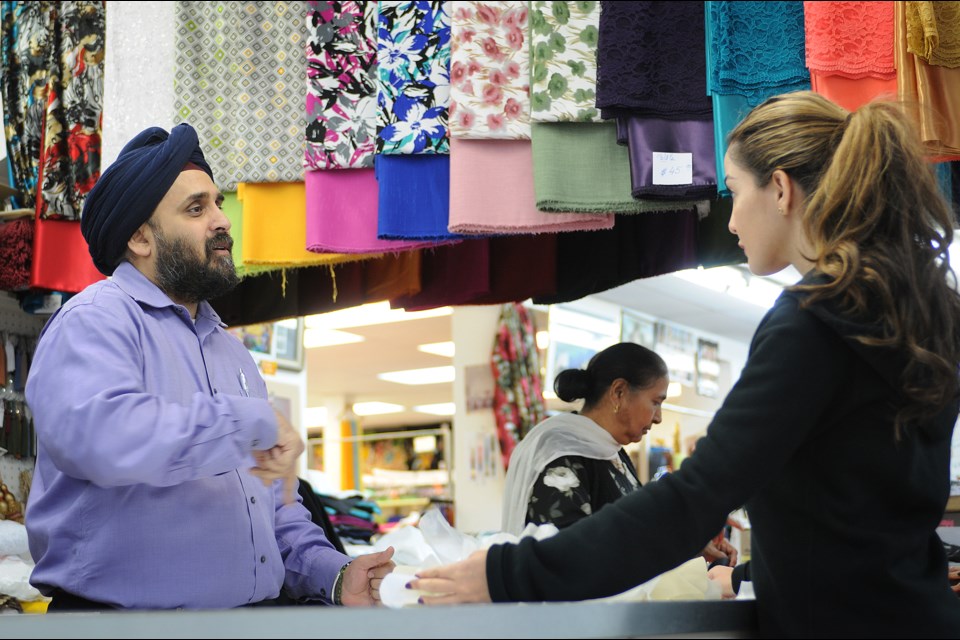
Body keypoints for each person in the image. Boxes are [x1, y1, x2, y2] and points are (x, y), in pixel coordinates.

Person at [411, 91, 960, 637]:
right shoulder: (916, 310)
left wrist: (505, 574)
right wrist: (744, 574)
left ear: (781, 189)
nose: (730, 222)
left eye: (734, 192)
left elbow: (694, 498)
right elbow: (858, 514)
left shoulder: (814, 321)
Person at [24, 124, 394, 610]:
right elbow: (104, 437)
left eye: (218, 203)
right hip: (119, 630)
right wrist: (249, 424)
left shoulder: (231, 351)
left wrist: (331, 573)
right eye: (196, 209)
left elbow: (270, 504)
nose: (222, 221)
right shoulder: (95, 322)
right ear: (140, 237)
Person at [501, 343, 736, 566]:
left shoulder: (613, 454)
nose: (658, 417)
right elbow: (567, 553)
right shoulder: (561, 456)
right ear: (619, 392)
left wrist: (691, 543)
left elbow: (640, 527)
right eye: (655, 402)